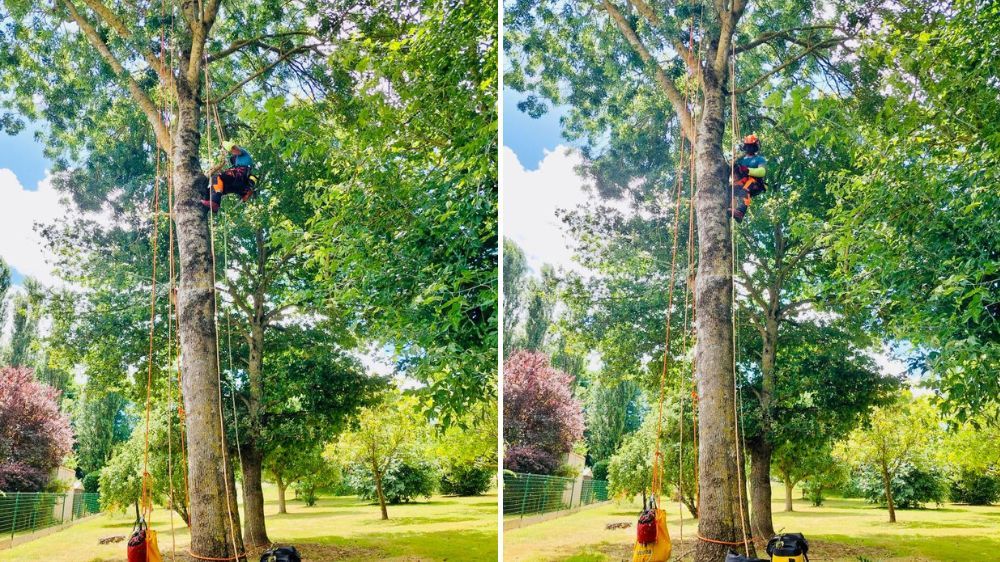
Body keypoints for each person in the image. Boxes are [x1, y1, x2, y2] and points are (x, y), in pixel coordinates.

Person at [201, 140, 255, 213]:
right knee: (211, 189)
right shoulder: (235, 164)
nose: (233, 157)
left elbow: (234, 148)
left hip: (240, 175)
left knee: (216, 178)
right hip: (237, 184)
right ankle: (209, 205)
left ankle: (214, 202)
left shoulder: (243, 153)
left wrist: (223, 143)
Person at [730, 133, 766, 223]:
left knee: (745, 190)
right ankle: (729, 207)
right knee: (729, 190)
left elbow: (762, 171)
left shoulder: (759, 159)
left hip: (755, 182)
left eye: (752, 146)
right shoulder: (741, 159)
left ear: (755, 147)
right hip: (742, 181)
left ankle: (740, 212)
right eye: (748, 146)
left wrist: (748, 170)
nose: (750, 148)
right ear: (745, 147)